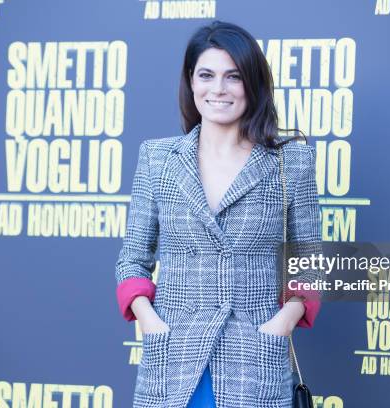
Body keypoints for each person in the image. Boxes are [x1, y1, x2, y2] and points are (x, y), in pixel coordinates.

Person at [115, 20, 322, 408]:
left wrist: (282, 323)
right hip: (173, 355)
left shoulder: (290, 162)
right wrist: (151, 321)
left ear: (253, 84)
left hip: (255, 356)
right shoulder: (157, 158)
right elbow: (132, 258)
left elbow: (309, 261)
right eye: (206, 75)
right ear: (191, 82)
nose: (219, 89)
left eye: (234, 77)